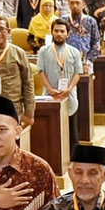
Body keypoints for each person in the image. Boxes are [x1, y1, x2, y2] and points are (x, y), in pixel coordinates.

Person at [35, 20, 83, 151]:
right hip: (50, 95)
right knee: (52, 129)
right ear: (52, 32)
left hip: (69, 96)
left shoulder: (74, 52)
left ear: (68, 34)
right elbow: (40, 71)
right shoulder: (44, 51)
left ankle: (73, 157)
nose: (59, 34)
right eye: (56, 31)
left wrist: (69, 89)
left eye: (62, 31)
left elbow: (78, 73)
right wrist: (50, 89)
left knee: (71, 130)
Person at [63, 0, 100, 68]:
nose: (75, 6)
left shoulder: (91, 21)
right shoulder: (63, 20)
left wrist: (89, 60)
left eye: (77, 3)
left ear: (83, 4)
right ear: (68, 4)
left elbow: (96, 42)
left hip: (86, 61)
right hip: (66, 60)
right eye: (72, 3)